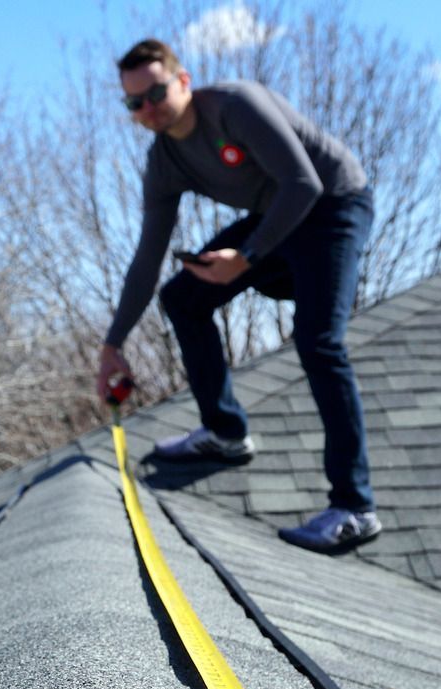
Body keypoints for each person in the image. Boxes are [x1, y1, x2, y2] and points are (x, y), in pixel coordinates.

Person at [96, 38, 381, 553]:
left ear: (183, 81)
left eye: (156, 93)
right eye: (134, 103)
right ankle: (225, 433)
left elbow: (303, 183)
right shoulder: (164, 161)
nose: (148, 109)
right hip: (274, 219)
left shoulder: (234, 106)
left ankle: (354, 508)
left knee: (319, 342)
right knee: (182, 297)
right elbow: (146, 258)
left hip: (333, 205)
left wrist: (246, 258)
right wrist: (112, 344)